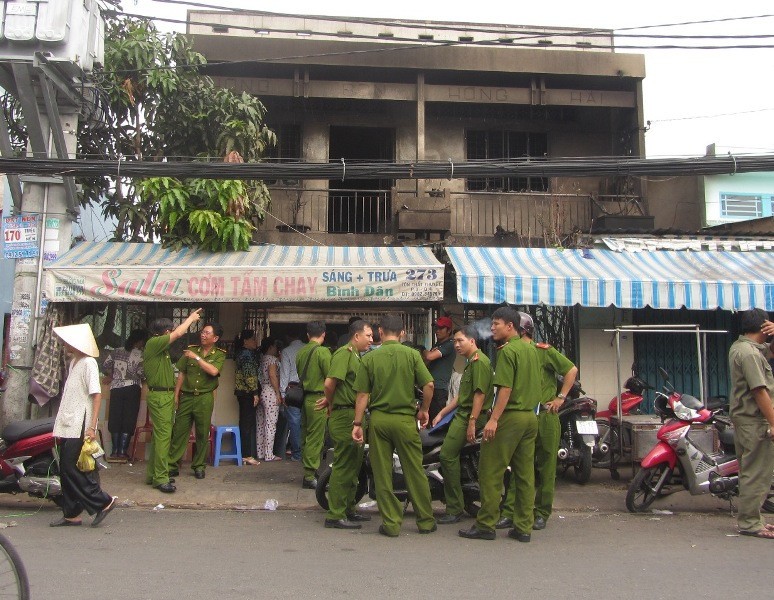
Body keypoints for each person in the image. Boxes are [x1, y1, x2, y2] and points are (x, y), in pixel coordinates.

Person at [459, 305, 540, 542]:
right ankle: (523, 527)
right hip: (529, 417)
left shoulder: (507, 352)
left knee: (490, 471)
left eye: (496, 324)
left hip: (511, 417)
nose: (492, 328)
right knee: (525, 475)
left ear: (510, 326)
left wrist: (493, 419)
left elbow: (505, 388)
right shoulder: (531, 350)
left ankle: (486, 524)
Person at [352, 313, 437, 537]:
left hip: (379, 420)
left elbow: (362, 395)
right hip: (405, 421)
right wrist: (424, 410)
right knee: (415, 470)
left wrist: (358, 422)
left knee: (382, 472)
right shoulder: (411, 355)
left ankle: (391, 523)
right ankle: (426, 521)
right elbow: (429, 384)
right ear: (402, 333)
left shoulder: (369, 359)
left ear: (380, 332)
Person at [497, 312, 578, 532]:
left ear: (519, 330)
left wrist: (560, 398)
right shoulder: (510, 352)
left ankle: (541, 512)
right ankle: (510, 511)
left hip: (545, 415)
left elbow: (571, 370)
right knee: (519, 466)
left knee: (546, 466)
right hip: (524, 415)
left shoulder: (543, 351)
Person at [50, 323, 116, 527]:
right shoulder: (74, 362)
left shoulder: (88, 363)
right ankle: (72, 513)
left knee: (71, 467)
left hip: (81, 423)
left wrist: (91, 427)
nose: (64, 344)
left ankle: (103, 501)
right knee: (66, 469)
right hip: (70, 422)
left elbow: (96, 395)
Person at [317, 320, 373, 529]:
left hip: (353, 412)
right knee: (343, 466)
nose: (371, 340)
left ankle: (349, 508)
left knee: (354, 465)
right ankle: (335, 514)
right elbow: (330, 383)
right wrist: (331, 401)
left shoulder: (356, 355)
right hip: (345, 415)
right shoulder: (344, 353)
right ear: (356, 336)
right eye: (368, 335)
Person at [434, 325, 493, 524]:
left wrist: (472, 422)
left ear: (472, 341)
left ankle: (454, 506)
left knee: (447, 455)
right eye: (455, 341)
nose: (457, 345)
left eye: (460, 341)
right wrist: (442, 413)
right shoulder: (470, 362)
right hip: (463, 414)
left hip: (470, 416)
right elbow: (461, 396)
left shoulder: (479, 362)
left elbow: (479, 395)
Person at [143, 309, 202, 493]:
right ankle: (160, 477)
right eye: (170, 331)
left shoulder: (160, 350)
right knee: (163, 438)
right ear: (165, 332)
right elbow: (179, 333)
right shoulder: (154, 343)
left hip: (165, 396)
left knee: (161, 437)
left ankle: (154, 474)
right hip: (160, 396)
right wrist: (191, 319)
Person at [729, 309, 774, 539]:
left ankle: (753, 518)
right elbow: (759, 391)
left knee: (751, 471)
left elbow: (771, 353)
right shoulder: (749, 354)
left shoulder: (745, 348)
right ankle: (750, 522)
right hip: (753, 421)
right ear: (763, 326)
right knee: (756, 473)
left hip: (747, 420)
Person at [168, 322, 226, 480]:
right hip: (186, 396)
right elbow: (182, 374)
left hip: (204, 397)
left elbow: (214, 371)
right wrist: (176, 395)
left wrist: (197, 358)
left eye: (207, 333)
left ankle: (199, 466)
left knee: (202, 433)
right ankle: (172, 464)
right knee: (179, 431)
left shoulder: (219, 354)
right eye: (202, 332)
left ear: (215, 338)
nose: (203, 335)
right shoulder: (191, 350)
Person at [101, 328, 148, 462]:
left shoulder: (117, 351)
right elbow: (141, 373)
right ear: (139, 341)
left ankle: (114, 451)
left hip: (116, 388)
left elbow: (106, 364)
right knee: (129, 418)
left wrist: (112, 376)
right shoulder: (141, 355)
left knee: (115, 417)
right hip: (132, 388)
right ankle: (122, 451)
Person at [296, 321, 332, 489]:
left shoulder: (301, 352)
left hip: (305, 398)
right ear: (323, 334)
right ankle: (310, 475)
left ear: (308, 335)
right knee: (316, 439)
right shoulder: (323, 352)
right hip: (320, 399)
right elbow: (330, 379)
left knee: (306, 435)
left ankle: (310, 469)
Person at [234, 330, 261, 465]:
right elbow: (249, 375)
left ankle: (245, 454)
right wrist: (255, 392)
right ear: (246, 341)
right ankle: (246, 455)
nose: (256, 342)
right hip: (247, 393)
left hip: (242, 392)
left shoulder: (243, 353)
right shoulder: (246, 354)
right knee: (246, 424)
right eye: (253, 339)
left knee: (245, 423)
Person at [423, 316, 457, 422]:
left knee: (436, 420)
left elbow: (429, 356)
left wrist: (422, 350)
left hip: (439, 389)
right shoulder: (438, 344)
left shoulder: (450, 344)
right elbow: (427, 362)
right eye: (436, 328)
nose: (437, 331)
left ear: (449, 331)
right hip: (431, 387)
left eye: (441, 328)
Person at [277, 330, 304, 460]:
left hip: (292, 390)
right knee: (309, 422)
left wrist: (282, 394)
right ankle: (309, 453)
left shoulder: (287, 351)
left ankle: (297, 454)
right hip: (309, 390)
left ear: (288, 336)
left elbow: (284, 374)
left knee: (294, 422)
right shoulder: (310, 349)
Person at [258, 337, 283, 461]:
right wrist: (278, 393)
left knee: (260, 423)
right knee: (271, 424)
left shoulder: (262, 358)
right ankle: (269, 454)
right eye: (275, 347)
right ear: (271, 347)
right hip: (270, 392)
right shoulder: (272, 359)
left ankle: (260, 452)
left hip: (261, 390)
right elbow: (273, 376)